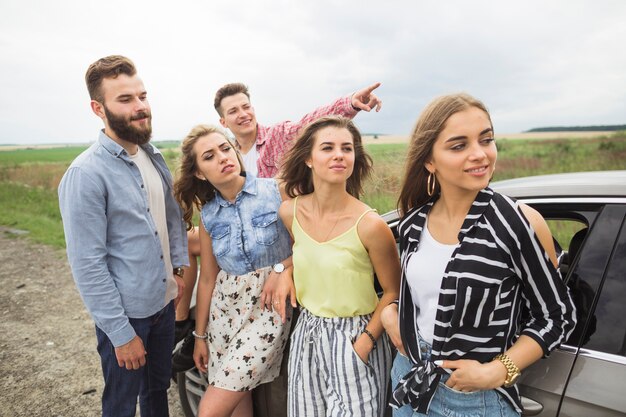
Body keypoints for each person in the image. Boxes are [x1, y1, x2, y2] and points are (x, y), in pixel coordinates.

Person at [380, 93, 577, 416]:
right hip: (410, 379)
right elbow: (423, 298)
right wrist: (392, 312)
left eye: (486, 140)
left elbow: (556, 316)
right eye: (459, 146)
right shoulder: (414, 222)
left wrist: (498, 371)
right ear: (429, 161)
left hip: (473, 400)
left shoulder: (516, 222)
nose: (480, 154)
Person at [58, 55, 188, 417]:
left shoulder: (151, 154)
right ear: (98, 108)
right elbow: (87, 264)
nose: (141, 107)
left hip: (162, 305)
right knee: (120, 404)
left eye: (142, 96)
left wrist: (177, 269)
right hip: (128, 316)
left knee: (157, 392)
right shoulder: (86, 174)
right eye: (126, 100)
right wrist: (120, 333)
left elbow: (170, 217)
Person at [276, 116, 401, 417]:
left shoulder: (370, 225)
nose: (339, 155)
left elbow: (393, 292)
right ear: (308, 157)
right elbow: (308, 255)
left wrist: (365, 343)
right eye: (328, 148)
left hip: (356, 334)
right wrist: (285, 271)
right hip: (307, 332)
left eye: (346, 148)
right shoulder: (290, 211)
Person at [173, 124, 294, 417]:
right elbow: (207, 280)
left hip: (268, 310)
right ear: (200, 172)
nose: (223, 158)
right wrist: (200, 337)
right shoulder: (209, 215)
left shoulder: (275, 191)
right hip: (224, 313)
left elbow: (311, 245)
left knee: (211, 409)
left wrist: (283, 267)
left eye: (226, 149)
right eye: (209, 156)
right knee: (239, 406)